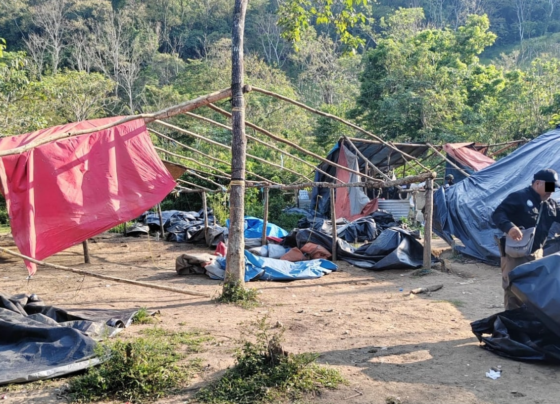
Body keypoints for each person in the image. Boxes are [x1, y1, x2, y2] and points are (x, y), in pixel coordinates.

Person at [492, 168, 560, 310]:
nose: (551, 191)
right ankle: (512, 321)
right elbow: (498, 214)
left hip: (537, 254)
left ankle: (528, 322)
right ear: (537, 183)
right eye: (549, 187)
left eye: (553, 188)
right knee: (514, 289)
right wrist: (509, 227)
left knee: (535, 291)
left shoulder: (550, 205)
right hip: (515, 254)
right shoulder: (519, 197)